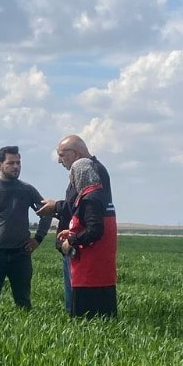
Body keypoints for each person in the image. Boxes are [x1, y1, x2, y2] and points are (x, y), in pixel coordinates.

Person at [0, 146, 58, 309]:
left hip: (20, 254)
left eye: (18, 163)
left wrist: (38, 239)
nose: (16, 167)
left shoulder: (26, 190)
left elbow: (47, 212)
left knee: (23, 302)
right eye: (11, 163)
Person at [53, 134, 118, 319]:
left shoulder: (91, 195)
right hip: (89, 260)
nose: (59, 160)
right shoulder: (90, 194)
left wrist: (72, 238)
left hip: (88, 261)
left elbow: (95, 229)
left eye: (62, 154)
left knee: (85, 311)